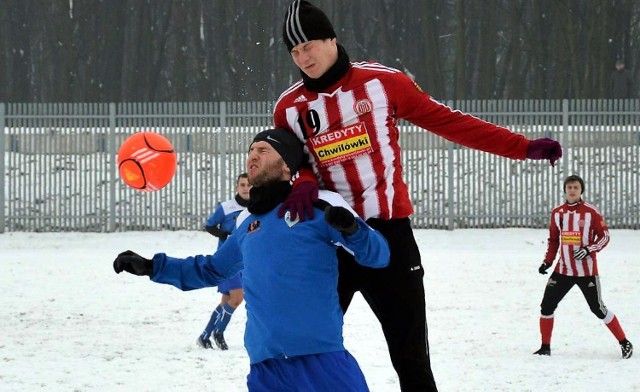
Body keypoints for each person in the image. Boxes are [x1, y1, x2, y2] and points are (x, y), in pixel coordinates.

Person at [275, 2, 563, 391]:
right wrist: (304, 180)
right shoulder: (288, 108)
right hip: (329, 241)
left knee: (411, 358)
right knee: (307, 349)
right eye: (294, 51)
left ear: (331, 39)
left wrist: (522, 146)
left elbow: (450, 122)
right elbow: (292, 160)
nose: (303, 57)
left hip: (389, 237)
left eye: (309, 45)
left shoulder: (383, 83)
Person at [113, 128, 390, 391]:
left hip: (321, 359)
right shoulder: (247, 221)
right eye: (251, 149)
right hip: (265, 367)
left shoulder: (318, 204)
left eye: (264, 149)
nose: (253, 155)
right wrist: (153, 267)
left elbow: (379, 255)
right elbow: (212, 270)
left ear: (286, 166)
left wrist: (352, 230)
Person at [534, 175, 633, 359]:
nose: (572, 190)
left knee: (598, 309)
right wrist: (547, 261)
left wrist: (588, 249)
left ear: (581, 191)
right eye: (569, 187)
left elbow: (605, 236)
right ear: (565, 190)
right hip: (563, 270)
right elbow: (554, 240)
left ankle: (624, 342)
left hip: (586, 272)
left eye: (576, 187)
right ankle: (545, 347)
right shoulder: (557, 213)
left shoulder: (591, 212)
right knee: (546, 307)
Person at [197, 173, 251, 350]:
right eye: (242, 185)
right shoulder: (226, 207)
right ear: (237, 187)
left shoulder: (256, 207)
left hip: (246, 259)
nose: (246, 188)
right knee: (237, 298)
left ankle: (204, 335)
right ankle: (218, 332)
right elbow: (210, 225)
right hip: (226, 259)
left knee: (226, 300)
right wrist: (225, 235)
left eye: (249, 185)